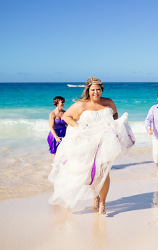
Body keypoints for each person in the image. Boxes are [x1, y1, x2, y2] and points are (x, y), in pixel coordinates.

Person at [48, 77, 135, 214]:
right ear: (88, 90)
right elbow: (66, 117)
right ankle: (95, 198)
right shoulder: (81, 105)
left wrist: (114, 125)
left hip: (106, 142)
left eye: (98, 89)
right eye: (93, 90)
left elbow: (115, 114)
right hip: (88, 142)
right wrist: (78, 127)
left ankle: (103, 204)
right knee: (93, 173)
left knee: (104, 171)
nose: (96, 92)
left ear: (102, 90)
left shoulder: (108, 102)